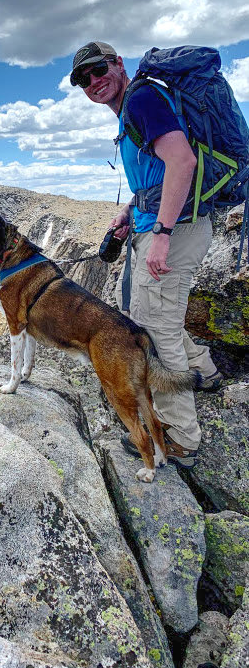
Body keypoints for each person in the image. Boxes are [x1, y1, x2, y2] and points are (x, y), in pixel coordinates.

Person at [69, 41, 223, 469]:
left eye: (99, 70)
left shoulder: (139, 98)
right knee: (153, 317)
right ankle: (204, 371)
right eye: (83, 78)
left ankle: (180, 436)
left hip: (175, 230)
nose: (93, 82)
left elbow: (182, 161)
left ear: (118, 64)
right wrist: (129, 212)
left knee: (155, 330)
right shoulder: (133, 106)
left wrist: (162, 233)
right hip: (158, 223)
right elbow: (155, 173)